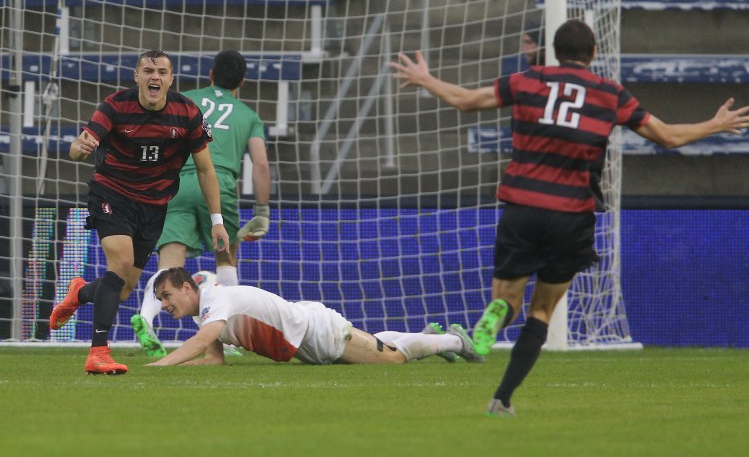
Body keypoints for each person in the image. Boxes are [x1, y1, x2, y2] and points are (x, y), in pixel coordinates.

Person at [391, 19, 749, 417]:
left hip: (524, 207)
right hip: (572, 214)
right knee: (543, 311)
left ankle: (496, 314)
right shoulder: (610, 94)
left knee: (507, 298)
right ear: (594, 53)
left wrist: (426, 78)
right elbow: (665, 136)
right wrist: (715, 124)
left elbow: (466, 100)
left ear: (553, 51)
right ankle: (502, 399)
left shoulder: (529, 80)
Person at [49, 50, 230, 375]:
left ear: (171, 79)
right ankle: (99, 353)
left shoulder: (187, 113)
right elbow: (80, 144)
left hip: (153, 206)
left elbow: (205, 170)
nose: (154, 77)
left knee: (123, 287)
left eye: (162, 71)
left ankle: (80, 292)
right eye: (148, 70)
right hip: (112, 194)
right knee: (118, 263)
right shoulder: (115, 106)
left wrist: (218, 221)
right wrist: (78, 148)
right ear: (137, 76)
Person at [131, 50, 271, 358]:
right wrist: (261, 211)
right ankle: (227, 338)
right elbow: (260, 164)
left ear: (210, 75)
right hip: (218, 183)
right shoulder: (247, 115)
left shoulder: (185, 97)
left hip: (179, 181)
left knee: (169, 260)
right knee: (225, 258)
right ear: (242, 82)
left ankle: (146, 316)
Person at [145, 267, 484, 366]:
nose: (164, 304)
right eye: (160, 300)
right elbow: (212, 360)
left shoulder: (214, 299)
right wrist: (170, 367)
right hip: (305, 334)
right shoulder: (203, 314)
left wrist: (158, 366)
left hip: (316, 332)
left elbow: (203, 342)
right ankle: (421, 338)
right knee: (377, 348)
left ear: (188, 288)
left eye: (167, 296)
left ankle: (452, 339)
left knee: (392, 361)